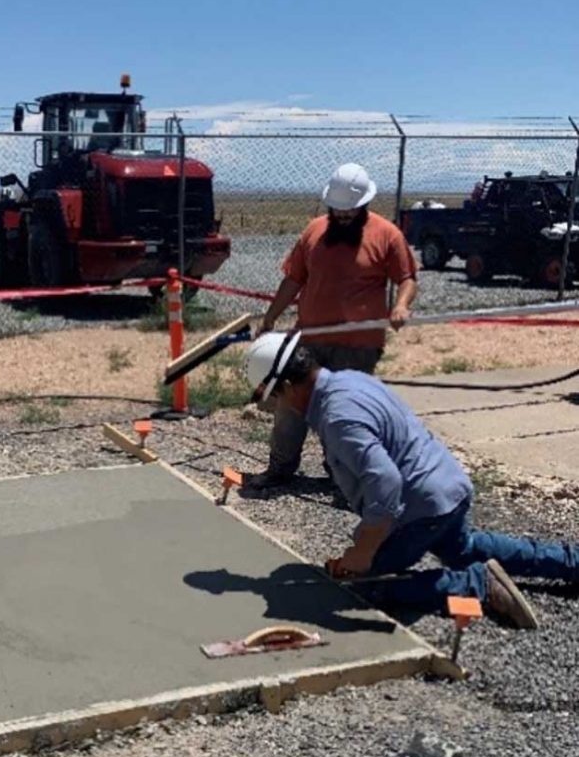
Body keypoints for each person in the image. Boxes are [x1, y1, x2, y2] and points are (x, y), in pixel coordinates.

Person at [242, 332, 579, 628]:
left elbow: (386, 485)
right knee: (465, 548)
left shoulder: (336, 417)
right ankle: (570, 562)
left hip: (422, 507)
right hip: (448, 487)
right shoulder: (349, 380)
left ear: (287, 386)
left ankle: (477, 584)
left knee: (366, 585)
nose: (276, 405)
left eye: (273, 397)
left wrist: (364, 551)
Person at [247, 162, 418, 490]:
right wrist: (270, 319)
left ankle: (344, 478)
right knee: (290, 405)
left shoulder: (387, 235)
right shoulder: (313, 232)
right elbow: (293, 280)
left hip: (358, 345)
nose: (342, 217)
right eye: (337, 210)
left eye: (349, 211)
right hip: (309, 339)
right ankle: (280, 469)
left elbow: (406, 278)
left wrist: (400, 305)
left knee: (343, 413)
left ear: (364, 205)